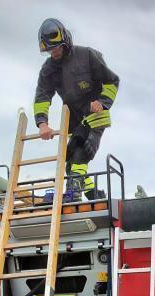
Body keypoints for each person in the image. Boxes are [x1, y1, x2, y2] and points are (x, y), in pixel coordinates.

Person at [33, 18, 119, 201]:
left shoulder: (87, 55)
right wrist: (42, 123)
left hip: (95, 116)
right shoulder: (48, 69)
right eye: (49, 50)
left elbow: (112, 81)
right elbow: (42, 96)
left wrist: (102, 102)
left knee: (81, 152)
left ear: (65, 41)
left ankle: (74, 193)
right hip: (74, 120)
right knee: (70, 162)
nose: (53, 53)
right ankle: (94, 195)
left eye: (56, 48)